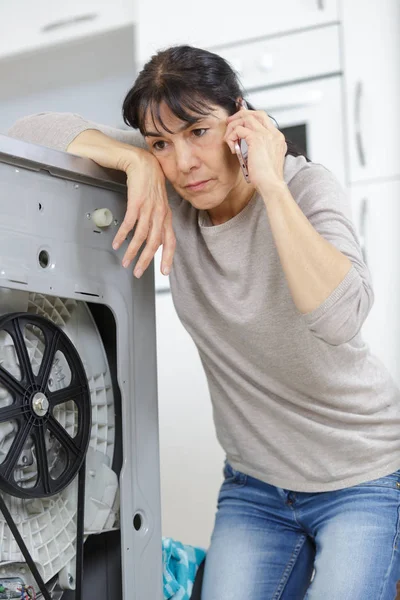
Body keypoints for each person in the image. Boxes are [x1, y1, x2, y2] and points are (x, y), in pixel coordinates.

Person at [8, 45, 400, 599]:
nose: (184, 162)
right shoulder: (171, 177)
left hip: (361, 477)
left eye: (198, 132)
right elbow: (31, 128)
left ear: (239, 118)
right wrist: (136, 162)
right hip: (257, 488)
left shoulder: (305, 188)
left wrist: (271, 182)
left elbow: (341, 317)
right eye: (161, 143)